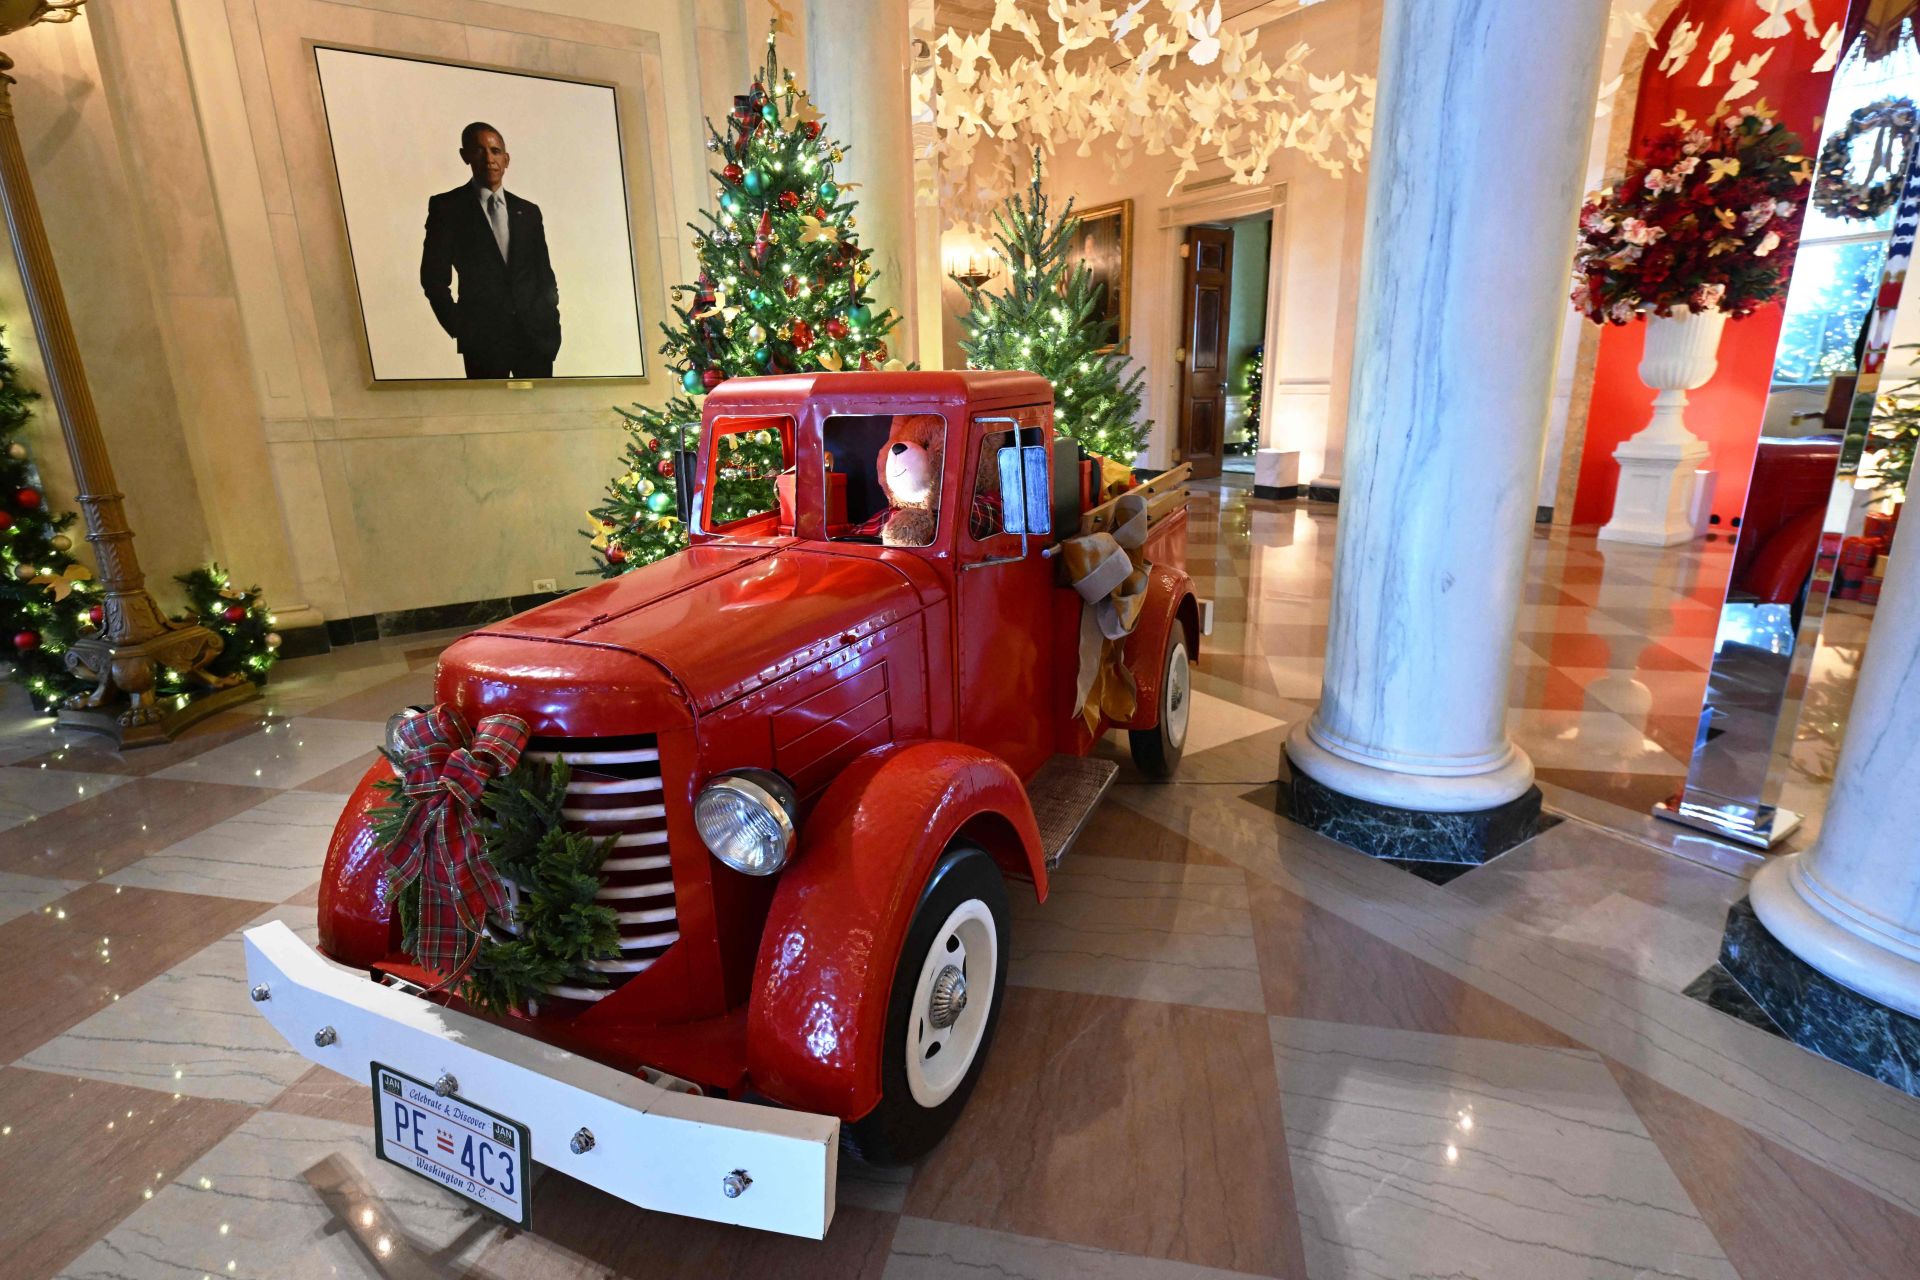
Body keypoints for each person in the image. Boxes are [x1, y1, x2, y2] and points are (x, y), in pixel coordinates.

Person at [419, 122, 561, 379]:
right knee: (490, 417)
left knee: (538, 415)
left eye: (495, 151)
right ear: (465, 156)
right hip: (482, 342)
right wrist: (461, 329)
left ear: (506, 159)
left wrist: (550, 321)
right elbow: (433, 278)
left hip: (534, 340)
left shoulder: (528, 212)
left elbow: (544, 274)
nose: (489, 159)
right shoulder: (448, 208)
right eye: (479, 150)